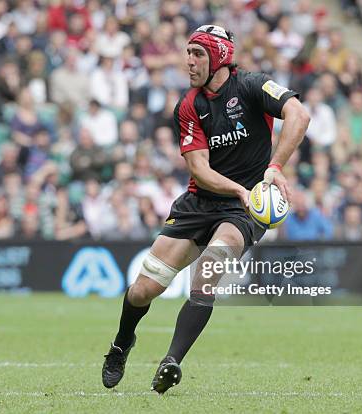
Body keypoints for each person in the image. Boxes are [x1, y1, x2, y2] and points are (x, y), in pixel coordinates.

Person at [101, 25, 309, 394]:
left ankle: (171, 361)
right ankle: (121, 343)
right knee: (142, 291)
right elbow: (200, 170)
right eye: (188, 53)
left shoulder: (253, 86)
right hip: (199, 202)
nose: (189, 61)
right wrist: (241, 190)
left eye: (198, 54)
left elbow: (299, 116)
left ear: (220, 58)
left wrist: (274, 167)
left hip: (241, 212)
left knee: (207, 272)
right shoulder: (189, 105)